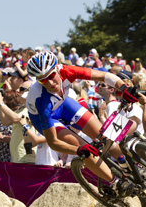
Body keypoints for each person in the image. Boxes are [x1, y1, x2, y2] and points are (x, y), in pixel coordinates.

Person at [25, 51, 138, 194]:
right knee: (84, 148)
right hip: (46, 118)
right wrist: (78, 150)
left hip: (64, 105)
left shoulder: (67, 71)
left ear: (57, 69)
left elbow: (104, 75)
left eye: (51, 76)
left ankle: (127, 167)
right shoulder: (41, 100)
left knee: (106, 135)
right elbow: (53, 142)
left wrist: (123, 87)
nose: (50, 82)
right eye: (42, 80)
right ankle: (114, 182)